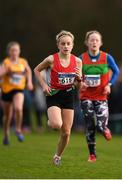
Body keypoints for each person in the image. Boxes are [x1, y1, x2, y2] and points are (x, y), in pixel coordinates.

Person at [34, 30, 82, 165]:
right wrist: (43, 85)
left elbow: (79, 86)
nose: (66, 46)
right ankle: (50, 121)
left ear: (72, 45)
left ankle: (57, 156)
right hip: (53, 94)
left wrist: (79, 79)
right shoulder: (51, 59)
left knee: (66, 132)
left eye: (68, 44)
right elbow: (36, 70)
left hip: (68, 96)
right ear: (58, 45)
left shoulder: (78, 61)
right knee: (56, 124)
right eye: (63, 44)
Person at [80, 30, 120, 162]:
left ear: (101, 43)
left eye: (97, 40)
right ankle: (92, 154)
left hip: (101, 96)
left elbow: (116, 71)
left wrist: (109, 84)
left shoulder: (107, 57)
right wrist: (80, 83)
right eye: (91, 40)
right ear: (87, 43)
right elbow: (76, 75)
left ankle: (105, 129)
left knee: (101, 126)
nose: (94, 42)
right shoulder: (81, 58)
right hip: (86, 96)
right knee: (90, 124)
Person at [0, 41, 33, 145]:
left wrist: (30, 82)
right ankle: (6, 134)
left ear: (19, 51)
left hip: (18, 89)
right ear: (9, 52)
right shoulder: (6, 62)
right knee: (7, 116)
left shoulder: (23, 62)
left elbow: (28, 71)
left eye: (16, 50)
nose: (15, 52)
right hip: (6, 90)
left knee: (18, 108)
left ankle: (18, 129)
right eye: (12, 50)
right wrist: (6, 71)